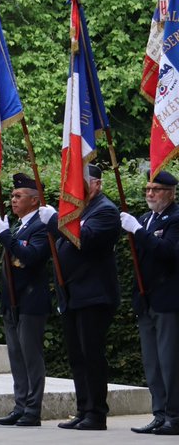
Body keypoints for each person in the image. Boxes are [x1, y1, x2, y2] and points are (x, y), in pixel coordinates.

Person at [50, 165, 120, 431]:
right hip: (73, 295)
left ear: (97, 184)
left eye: (81, 183)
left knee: (92, 355)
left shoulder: (105, 210)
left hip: (94, 295)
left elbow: (85, 239)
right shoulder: (80, 210)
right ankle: (83, 408)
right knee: (77, 356)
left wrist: (56, 222)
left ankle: (97, 413)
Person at [0, 173, 55, 427]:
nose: (13, 200)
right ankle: (20, 405)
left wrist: (7, 237)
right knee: (16, 357)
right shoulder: (19, 226)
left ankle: (32, 409)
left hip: (30, 300)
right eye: (12, 195)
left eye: (19, 196)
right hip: (12, 301)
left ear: (34, 200)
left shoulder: (41, 225)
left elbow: (31, 257)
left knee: (31, 356)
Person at [120, 169, 179, 435]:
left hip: (167, 300)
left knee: (169, 361)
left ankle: (174, 417)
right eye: (147, 189)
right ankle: (159, 413)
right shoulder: (145, 219)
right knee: (152, 363)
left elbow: (167, 252)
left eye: (155, 189)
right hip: (146, 300)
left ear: (170, 192)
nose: (150, 194)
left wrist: (138, 232)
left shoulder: (175, 219)